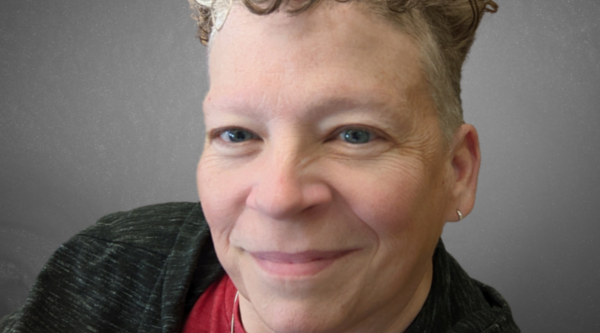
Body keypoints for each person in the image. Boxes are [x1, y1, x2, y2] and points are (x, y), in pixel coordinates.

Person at [0, 0, 520, 332]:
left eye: (354, 135)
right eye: (238, 134)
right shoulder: (108, 263)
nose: (278, 197)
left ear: (457, 173)